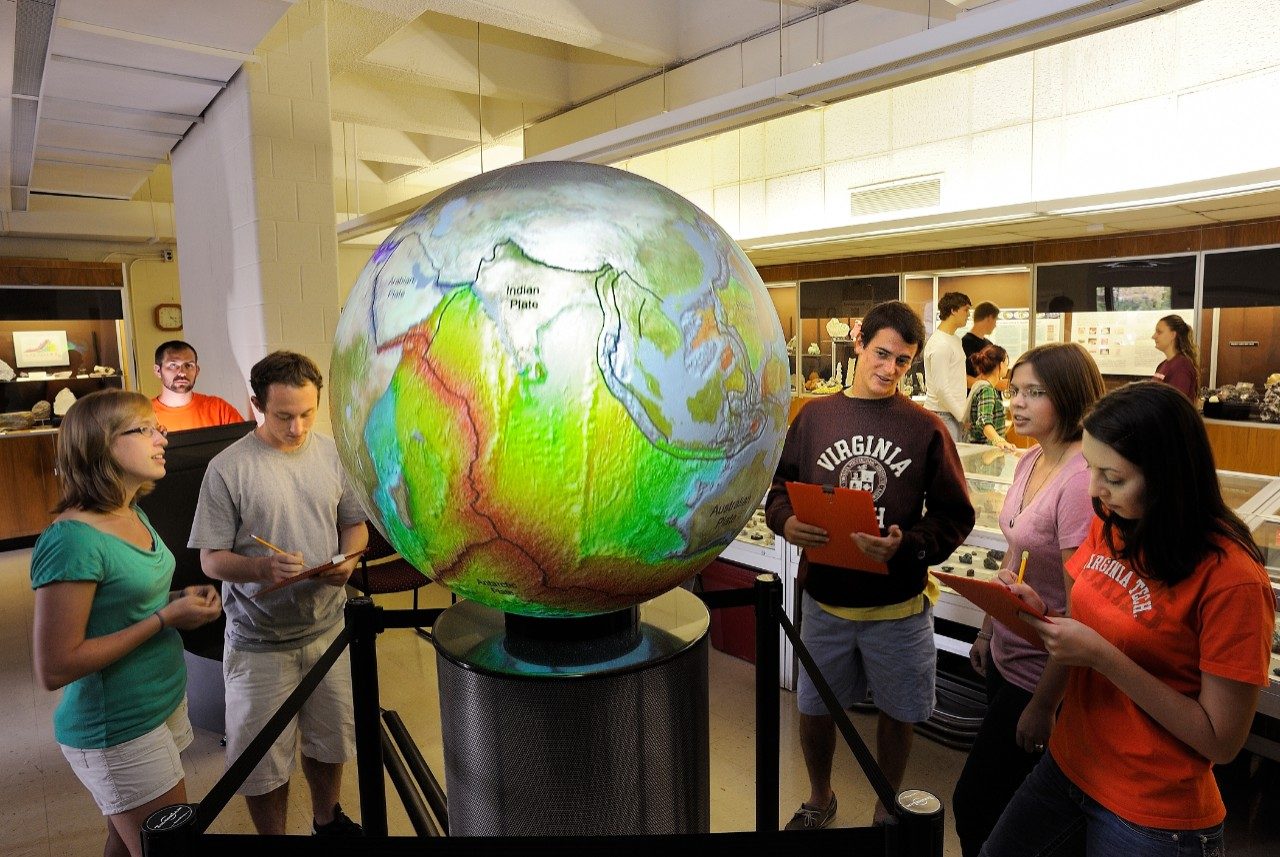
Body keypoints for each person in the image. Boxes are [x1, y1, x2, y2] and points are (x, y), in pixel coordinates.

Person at [980, 381, 1276, 857]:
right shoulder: (1112, 522)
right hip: (1072, 763)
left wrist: (1102, 657)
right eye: (1091, 470)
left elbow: (1221, 740)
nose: (1095, 491)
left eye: (1113, 478)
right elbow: (1092, 618)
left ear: (1168, 476)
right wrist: (1039, 614)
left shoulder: (1232, 580)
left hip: (1153, 811)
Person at [766, 300, 975, 830]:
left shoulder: (925, 428)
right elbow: (780, 489)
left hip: (898, 607)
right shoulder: (814, 416)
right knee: (814, 706)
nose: (889, 369)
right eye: (881, 354)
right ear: (858, 344)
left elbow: (955, 515)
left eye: (903, 362)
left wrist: (910, 544)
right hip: (825, 602)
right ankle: (819, 797)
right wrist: (785, 523)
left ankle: (887, 802)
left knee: (900, 712)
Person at [30, 389, 222, 857]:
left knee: (127, 837)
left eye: (159, 427)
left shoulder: (130, 510)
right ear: (100, 446)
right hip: (117, 725)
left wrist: (178, 600)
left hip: (160, 703)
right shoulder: (73, 541)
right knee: (166, 847)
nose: (163, 439)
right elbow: (54, 667)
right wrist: (163, 618)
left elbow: (124, 603)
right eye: (145, 429)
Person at [189, 351, 369, 837]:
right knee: (261, 762)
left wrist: (348, 560)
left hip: (328, 629)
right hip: (258, 641)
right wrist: (261, 567)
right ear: (256, 405)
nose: (297, 428)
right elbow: (210, 560)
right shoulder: (228, 469)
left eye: (308, 414)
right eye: (284, 416)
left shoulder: (332, 453)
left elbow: (354, 524)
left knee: (331, 741)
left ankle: (326, 820)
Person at [951, 343, 1105, 856]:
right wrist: (988, 629)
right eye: (1014, 389)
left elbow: (1082, 606)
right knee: (1002, 805)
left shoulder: (1081, 480)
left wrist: (1045, 703)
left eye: (1033, 393)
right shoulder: (1032, 457)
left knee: (975, 803)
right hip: (1007, 656)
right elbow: (1014, 552)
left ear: (1069, 398)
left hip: (1041, 675)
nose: (1016, 403)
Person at [152, 340, 244, 431]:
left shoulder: (219, 409)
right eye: (173, 365)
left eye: (188, 365)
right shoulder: (143, 414)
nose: (182, 373)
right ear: (158, 371)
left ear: (197, 371)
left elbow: (245, 442)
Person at [923, 291, 972, 441]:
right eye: (966, 310)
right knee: (947, 463)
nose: (968, 315)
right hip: (942, 415)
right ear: (953, 310)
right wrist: (962, 416)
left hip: (953, 413)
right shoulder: (940, 344)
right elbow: (941, 389)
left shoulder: (955, 340)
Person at [963, 344, 1016, 452]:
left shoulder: (978, 387)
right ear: (1000, 365)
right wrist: (999, 440)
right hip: (984, 452)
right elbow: (984, 420)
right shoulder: (987, 390)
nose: (1007, 367)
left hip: (980, 450)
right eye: (1006, 364)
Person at [1151, 314, 1199, 400]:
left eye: (1159, 332)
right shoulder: (1162, 365)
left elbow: (1175, 405)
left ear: (1173, 335)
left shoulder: (1181, 366)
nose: (1153, 336)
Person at [963, 302, 1000, 380]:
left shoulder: (989, 345)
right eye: (995, 320)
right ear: (989, 318)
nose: (995, 325)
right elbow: (963, 376)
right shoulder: (965, 343)